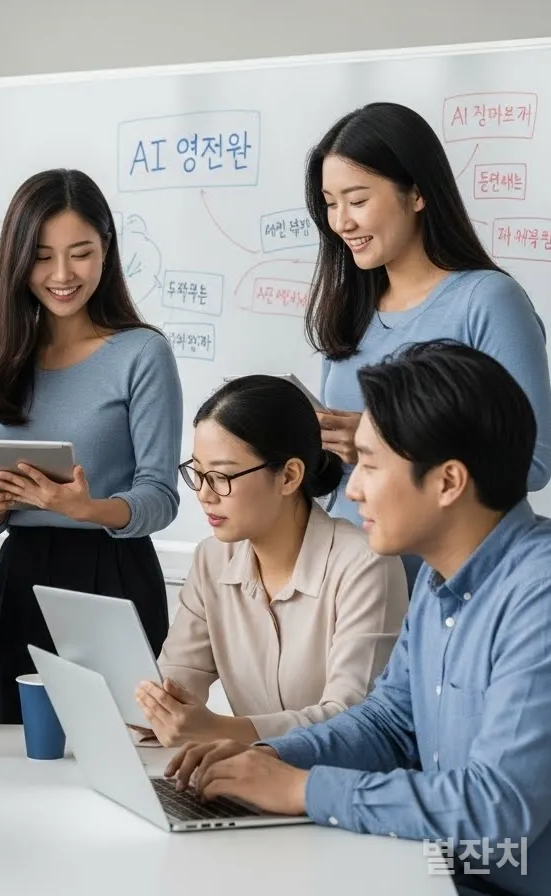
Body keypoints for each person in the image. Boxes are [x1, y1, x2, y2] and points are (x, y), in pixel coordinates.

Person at [166, 342, 551, 896]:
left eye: (370, 464)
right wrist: (265, 759)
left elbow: (498, 810)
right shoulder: (441, 579)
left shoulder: (537, 595)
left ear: (447, 482)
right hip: (437, 873)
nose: (352, 488)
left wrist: (302, 790)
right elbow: (389, 723)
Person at [0, 168, 182, 724]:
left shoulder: (142, 354)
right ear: (17, 260)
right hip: (22, 576)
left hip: (115, 574)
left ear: (106, 249)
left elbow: (161, 496)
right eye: (42, 256)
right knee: (20, 743)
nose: (62, 275)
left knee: (128, 738)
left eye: (80, 253)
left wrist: (89, 509)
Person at [303, 101, 551, 583]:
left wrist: (380, 440)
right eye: (330, 203)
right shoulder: (349, 309)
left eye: (357, 200)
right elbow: (343, 476)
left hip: (455, 584)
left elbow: (533, 462)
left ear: (416, 193)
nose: (341, 222)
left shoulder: (487, 301)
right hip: (354, 583)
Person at [135, 375, 407, 747]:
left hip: (332, 778)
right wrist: (152, 707)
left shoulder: (366, 565)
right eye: (197, 473)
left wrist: (220, 730)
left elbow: (350, 718)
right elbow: (178, 677)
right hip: (248, 773)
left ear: (289, 476)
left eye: (221, 476)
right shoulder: (212, 559)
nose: (204, 494)